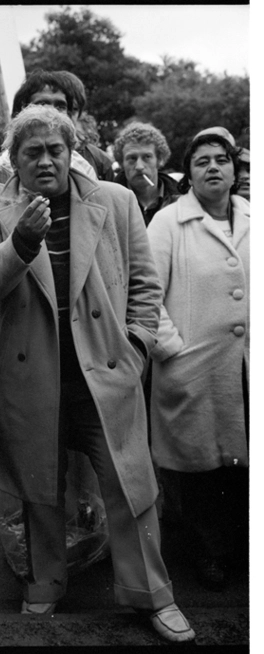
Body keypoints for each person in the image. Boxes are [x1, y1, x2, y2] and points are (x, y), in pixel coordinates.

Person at [0, 105, 195, 643]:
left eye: (55, 150)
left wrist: (135, 345)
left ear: (72, 153)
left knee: (129, 484)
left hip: (105, 374)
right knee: (41, 487)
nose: (45, 161)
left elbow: (144, 285)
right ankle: (45, 584)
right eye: (31, 152)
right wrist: (20, 242)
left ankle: (153, 595)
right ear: (14, 160)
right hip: (31, 377)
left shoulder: (114, 202)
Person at [146, 129, 249, 592]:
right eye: (202, 161)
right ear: (187, 173)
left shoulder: (254, 216)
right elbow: (145, 296)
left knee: (244, 465)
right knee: (203, 473)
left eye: (221, 160)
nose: (213, 167)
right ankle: (210, 554)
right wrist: (172, 349)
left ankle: (244, 549)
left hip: (246, 366)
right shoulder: (169, 223)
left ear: (234, 168)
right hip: (195, 369)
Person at [0, 70, 116, 211]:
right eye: (42, 104)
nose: (52, 112)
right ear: (21, 112)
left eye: (60, 106)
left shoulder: (82, 167)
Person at [113, 122, 180, 226]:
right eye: (132, 158)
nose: (139, 166)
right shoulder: (109, 202)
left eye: (147, 157)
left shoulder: (181, 200)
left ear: (160, 160)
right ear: (121, 162)